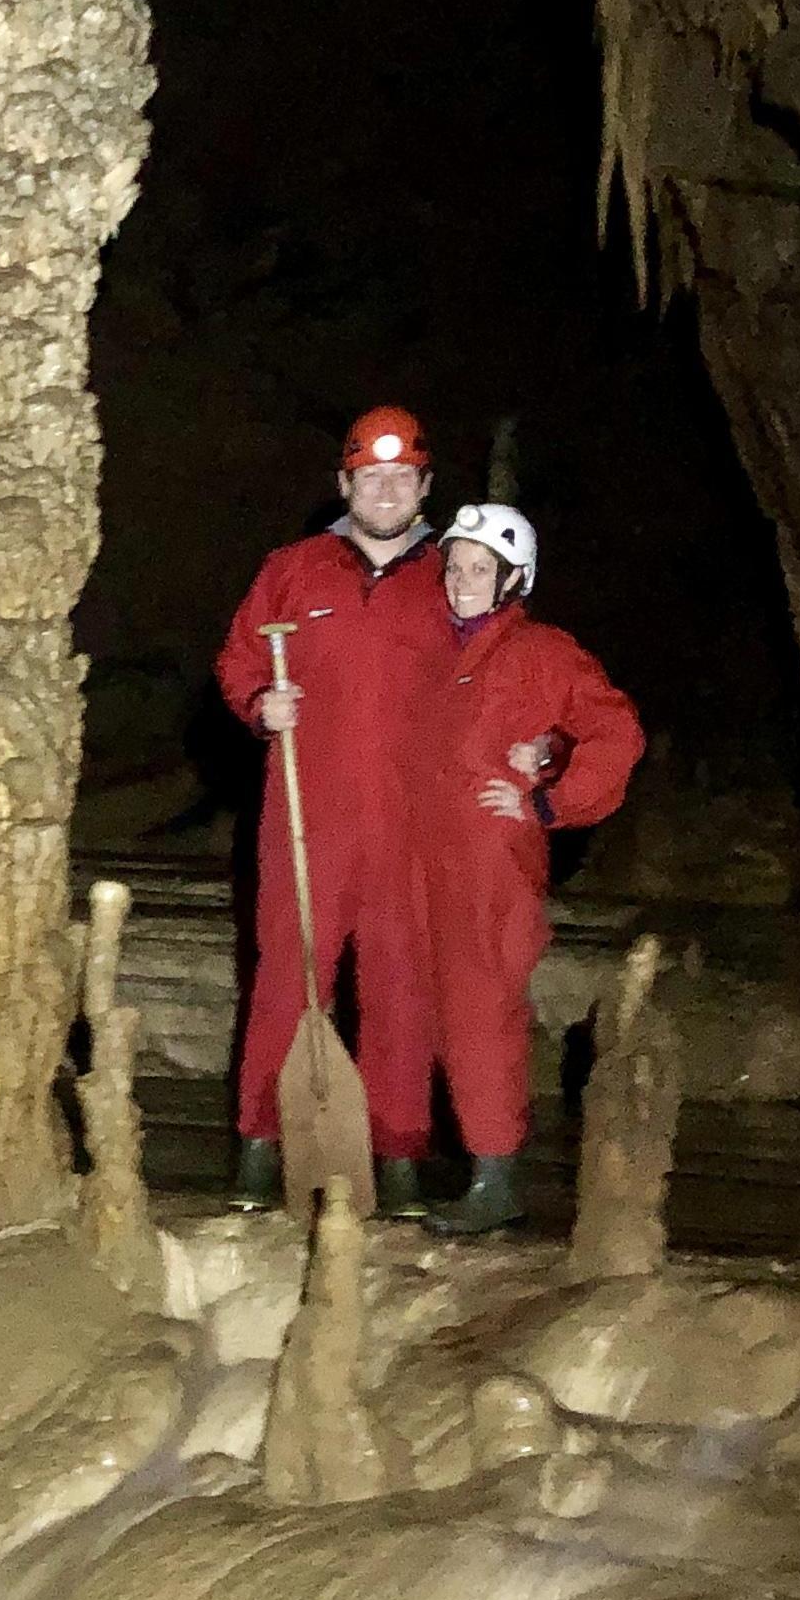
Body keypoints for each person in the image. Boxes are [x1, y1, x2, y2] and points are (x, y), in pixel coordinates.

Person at [214, 405, 455, 1210]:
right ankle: (260, 1142)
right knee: (288, 977)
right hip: (309, 817)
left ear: (423, 486)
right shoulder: (294, 568)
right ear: (345, 483)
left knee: (401, 986)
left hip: (413, 823)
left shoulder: (456, 575)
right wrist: (259, 704)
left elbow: (505, 673)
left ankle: (398, 1154)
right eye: (369, 477)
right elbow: (240, 657)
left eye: (401, 477)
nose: (385, 490)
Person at [416, 499, 644, 1237]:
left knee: (481, 1011)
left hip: (490, 860)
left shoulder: (540, 653)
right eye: (454, 568)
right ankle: (415, 1159)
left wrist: (549, 799)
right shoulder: (431, 649)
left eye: (479, 571)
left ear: (514, 580)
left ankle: (494, 1178)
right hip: (420, 853)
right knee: (421, 1009)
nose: (461, 582)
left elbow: (617, 732)